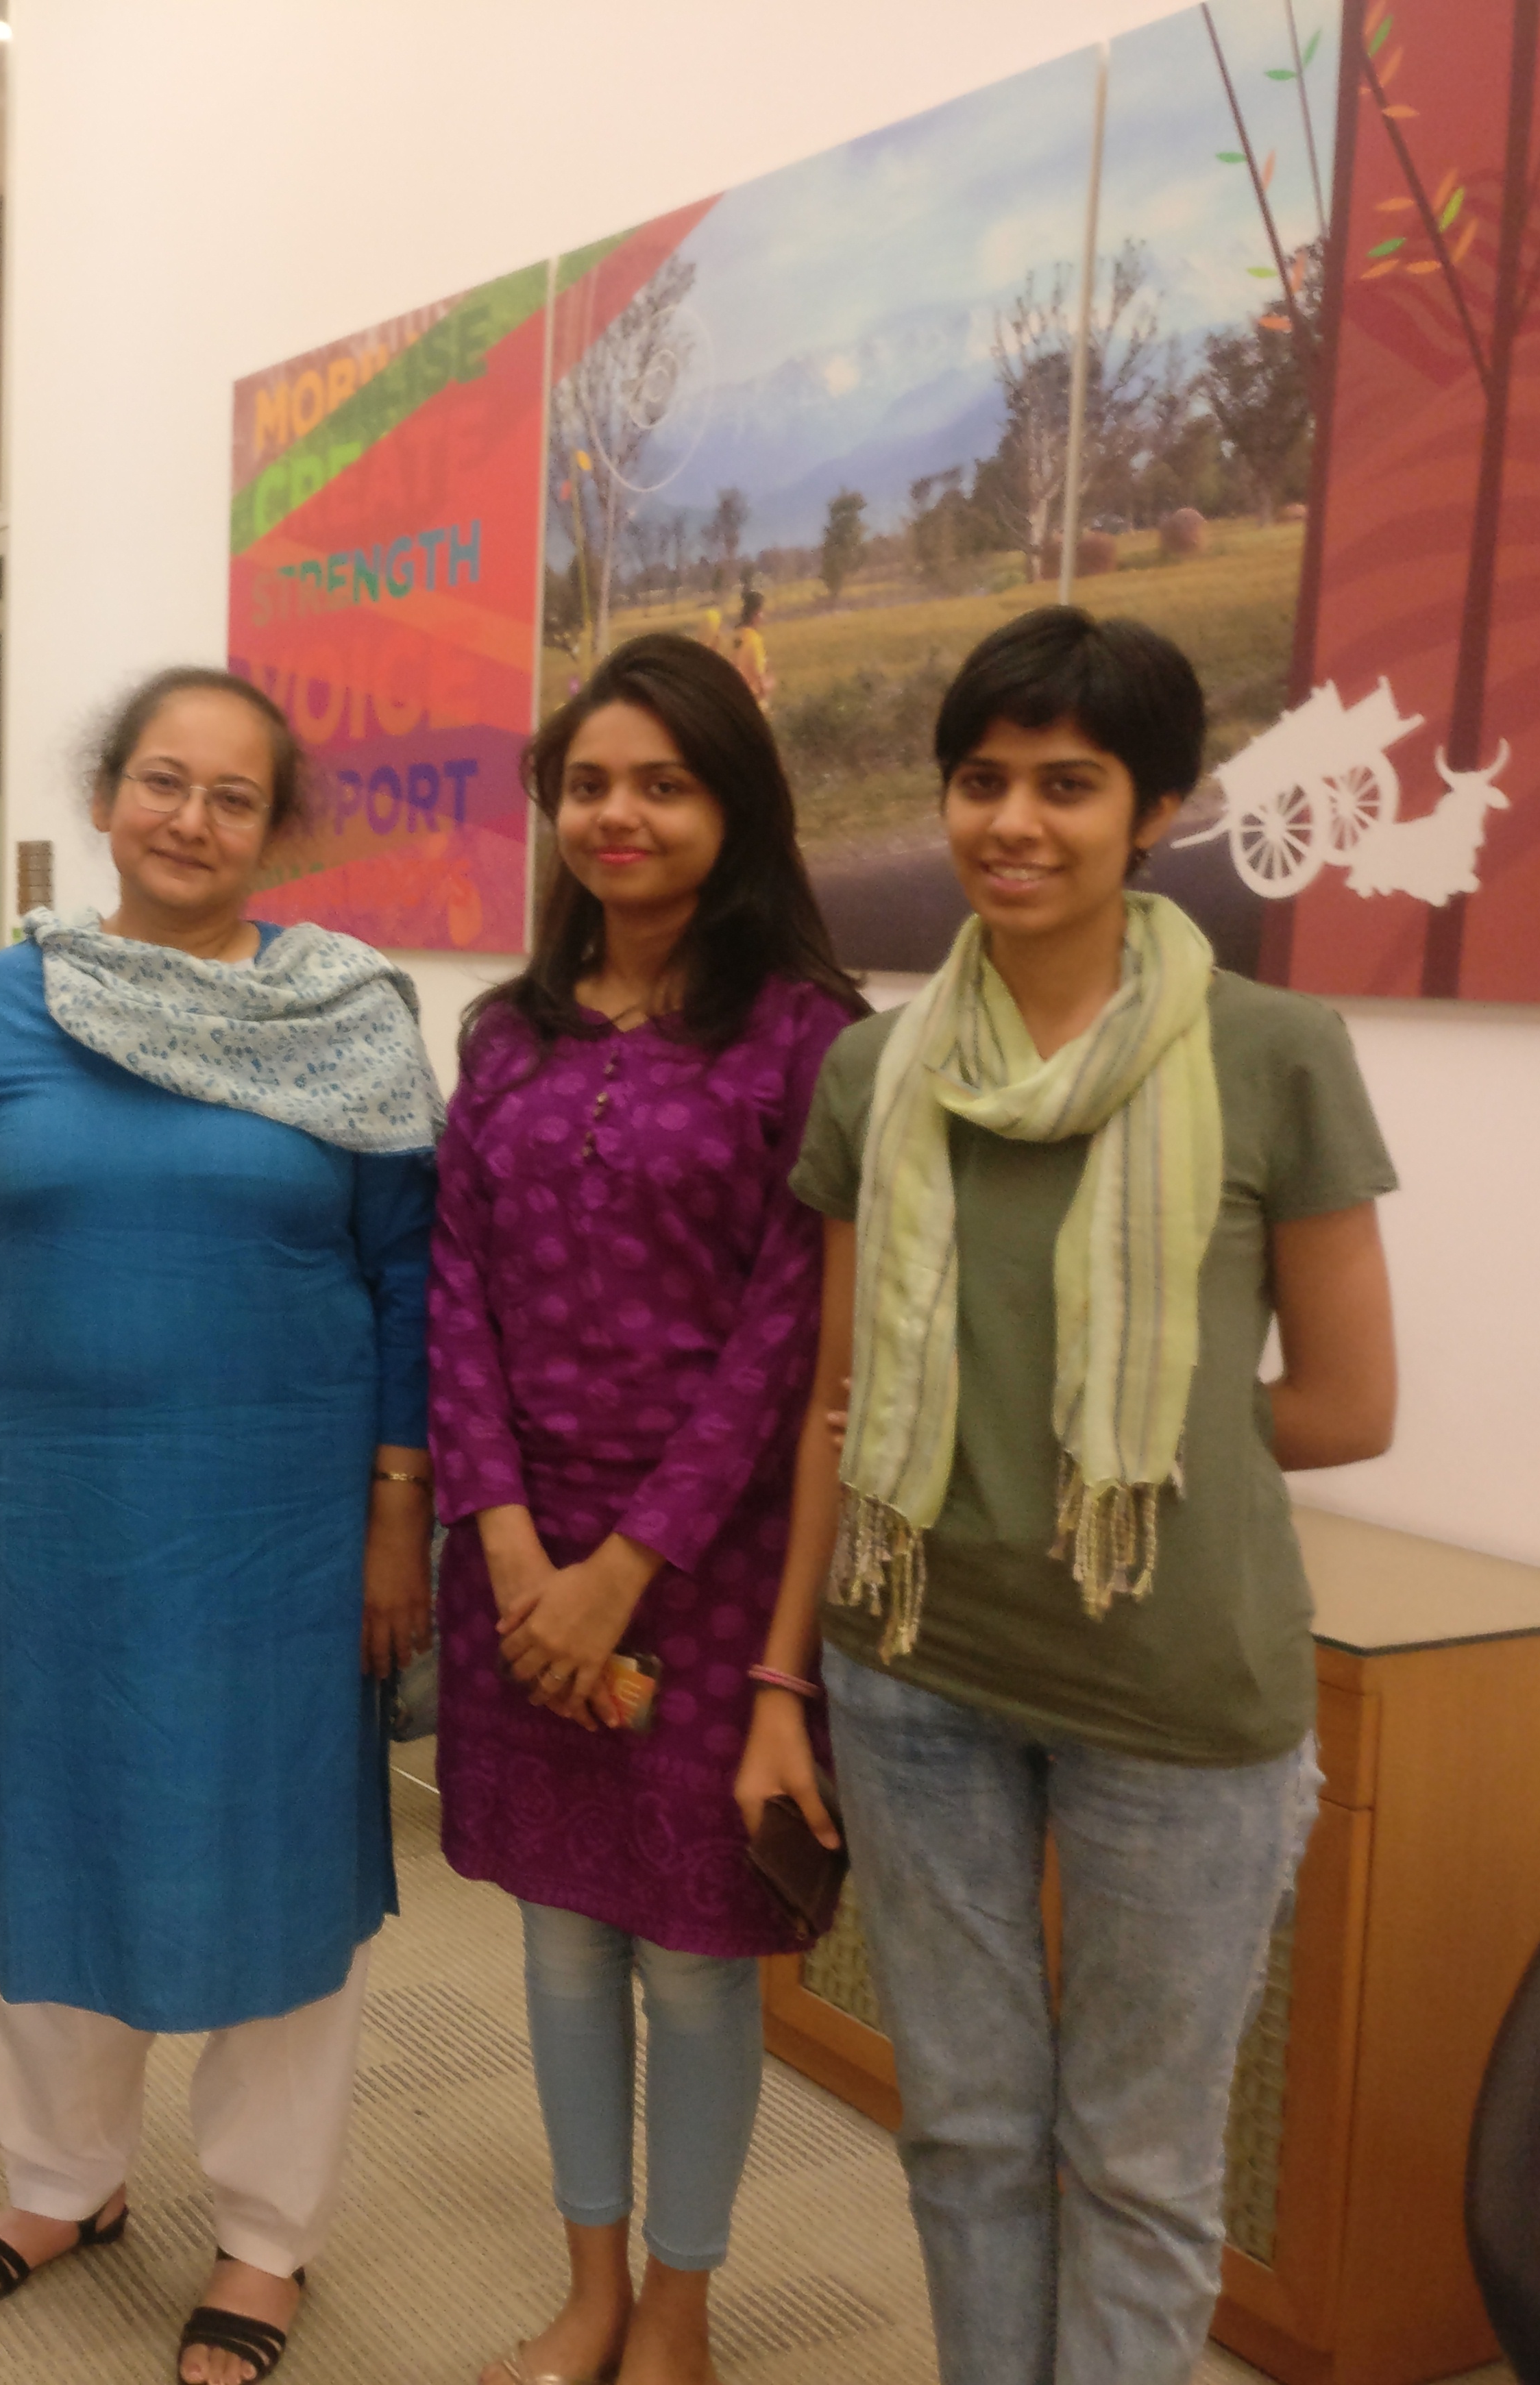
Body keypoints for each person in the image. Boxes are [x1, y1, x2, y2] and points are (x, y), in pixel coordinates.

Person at [735, 607, 1400, 2385]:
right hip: (913, 1676)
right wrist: (785, 1682)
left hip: (1175, 1696)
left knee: (1137, 2161)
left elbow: (1347, 1404)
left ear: (1158, 807)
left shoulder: (1271, 1054)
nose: (1013, 821)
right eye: (981, 780)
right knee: (964, 2133)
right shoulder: (879, 1073)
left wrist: (1127, 1427)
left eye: (1069, 783)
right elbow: (835, 1406)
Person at [0, 665, 441, 2385]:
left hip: (274, 1526)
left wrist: (393, 1517)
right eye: (157, 782)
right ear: (106, 795)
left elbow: (413, 1278)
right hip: (51, 1522)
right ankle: (61, 2185)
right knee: (48, 1844)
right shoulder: (2, 1002)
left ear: (274, 830)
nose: (186, 819)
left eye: (227, 795)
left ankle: (265, 2236)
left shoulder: (348, 1017)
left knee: (268, 1868)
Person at [430, 635, 864, 2385]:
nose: (616, 814)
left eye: (660, 782)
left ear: (731, 807)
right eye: (587, 782)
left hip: (708, 1569)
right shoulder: (500, 1031)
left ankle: (679, 2302)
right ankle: (587, 2287)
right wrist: (511, 1541)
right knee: (553, 1943)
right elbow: (449, 1281)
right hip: (514, 1562)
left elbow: (786, 1342)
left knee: (689, 1961)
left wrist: (623, 1565)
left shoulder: (805, 1042)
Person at [730, 588, 774, 707]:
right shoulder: (754, 641)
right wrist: (771, 682)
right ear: (756, 615)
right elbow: (762, 687)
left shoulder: (736, 637)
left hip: (736, 702)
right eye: (762, 612)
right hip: (754, 705)